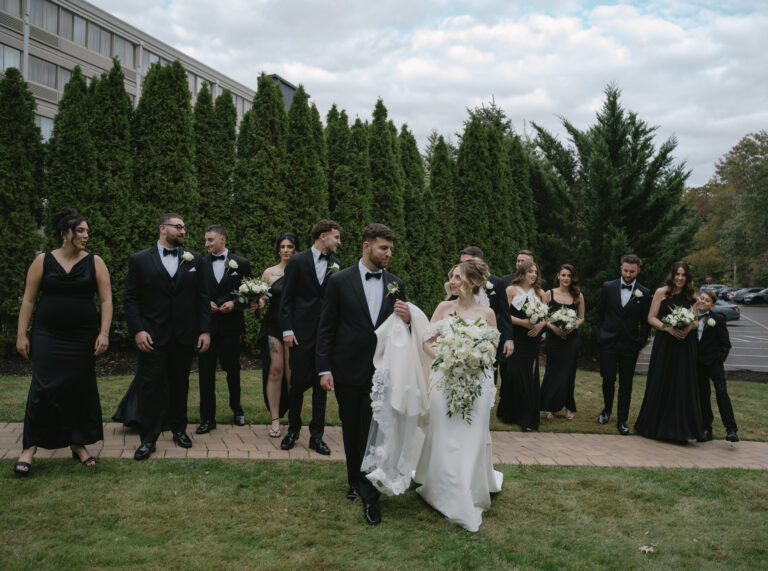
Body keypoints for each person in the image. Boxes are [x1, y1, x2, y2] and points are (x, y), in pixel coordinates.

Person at [316, 223, 409, 526]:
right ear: (366, 247)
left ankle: (371, 494)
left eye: (391, 248)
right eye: (384, 248)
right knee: (352, 427)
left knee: (376, 430)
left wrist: (408, 320)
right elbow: (326, 327)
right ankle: (354, 480)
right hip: (346, 368)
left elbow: (401, 332)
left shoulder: (397, 283)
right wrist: (325, 368)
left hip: (382, 371)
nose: (389, 254)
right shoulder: (339, 281)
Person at [14, 208, 112, 476]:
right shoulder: (42, 261)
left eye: (87, 231)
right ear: (65, 233)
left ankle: (77, 444)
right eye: (80, 231)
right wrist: (22, 334)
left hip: (82, 336)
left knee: (77, 388)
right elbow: (29, 300)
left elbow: (106, 300)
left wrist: (103, 333)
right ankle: (29, 448)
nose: (86, 235)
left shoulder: (95, 262)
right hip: (48, 335)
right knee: (42, 387)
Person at [414, 259, 503, 532]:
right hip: (445, 380)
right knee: (444, 433)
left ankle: (465, 488)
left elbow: (492, 349)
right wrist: (446, 358)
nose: (452, 282)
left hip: (476, 382)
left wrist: (471, 362)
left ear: (473, 283)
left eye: (457, 277)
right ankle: (442, 489)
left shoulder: (487, 313)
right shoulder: (443, 308)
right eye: (451, 277)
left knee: (470, 436)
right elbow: (426, 342)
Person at [115, 213, 211, 460]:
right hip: (152, 336)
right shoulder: (139, 260)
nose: (183, 231)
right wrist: (138, 330)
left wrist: (204, 330)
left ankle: (179, 430)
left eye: (184, 227)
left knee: (181, 384)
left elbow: (202, 298)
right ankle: (148, 438)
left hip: (183, 336)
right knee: (151, 386)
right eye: (178, 227)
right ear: (162, 228)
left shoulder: (195, 260)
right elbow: (131, 298)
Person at [279, 220, 342, 455]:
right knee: (296, 385)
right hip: (299, 335)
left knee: (321, 387)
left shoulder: (336, 265)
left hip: (325, 336)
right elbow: (286, 298)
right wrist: (287, 330)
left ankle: (317, 437)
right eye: (336, 237)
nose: (338, 242)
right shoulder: (297, 261)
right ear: (323, 236)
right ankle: (292, 430)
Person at [634, 261, 704, 443]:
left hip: (684, 344)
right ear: (672, 275)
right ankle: (655, 427)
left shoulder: (691, 295)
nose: (680, 278)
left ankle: (680, 429)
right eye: (677, 275)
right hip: (665, 342)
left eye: (683, 275)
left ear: (687, 277)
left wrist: (688, 328)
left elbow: (696, 321)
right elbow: (651, 318)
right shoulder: (661, 292)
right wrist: (668, 328)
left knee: (682, 382)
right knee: (662, 379)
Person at [196, 225, 251, 435]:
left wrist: (235, 304)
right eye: (206, 240)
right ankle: (207, 418)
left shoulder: (242, 263)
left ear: (223, 240)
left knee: (233, 370)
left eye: (210, 240)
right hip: (207, 328)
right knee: (205, 373)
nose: (206, 244)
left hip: (231, 328)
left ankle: (237, 408)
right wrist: (206, 304)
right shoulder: (200, 263)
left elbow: (249, 293)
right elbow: (196, 293)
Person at [593, 254, 651, 435]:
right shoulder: (608, 287)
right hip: (608, 342)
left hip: (629, 346)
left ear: (638, 271)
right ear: (621, 268)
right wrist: (600, 336)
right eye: (625, 270)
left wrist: (639, 341)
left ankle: (622, 420)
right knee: (608, 379)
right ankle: (606, 410)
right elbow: (598, 314)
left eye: (632, 271)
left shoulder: (645, 293)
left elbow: (646, 322)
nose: (628, 274)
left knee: (626, 383)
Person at [497, 260, 547, 431]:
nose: (533, 275)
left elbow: (546, 316)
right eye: (530, 272)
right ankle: (509, 412)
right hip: (514, 337)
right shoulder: (510, 290)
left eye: (535, 272)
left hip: (531, 340)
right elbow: (504, 316)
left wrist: (540, 326)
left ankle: (527, 417)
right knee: (512, 375)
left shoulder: (541, 293)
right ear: (523, 273)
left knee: (529, 376)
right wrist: (523, 323)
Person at [257, 232, 298, 438]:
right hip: (273, 324)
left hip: (293, 326)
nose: (285, 250)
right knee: (275, 369)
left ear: (296, 249)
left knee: (292, 373)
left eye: (289, 246)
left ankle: (293, 418)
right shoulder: (269, 272)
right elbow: (263, 299)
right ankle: (275, 420)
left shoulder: (301, 271)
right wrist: (257, 301)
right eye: (282, 246)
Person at [541, 264, 585, 420]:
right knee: (553, 371)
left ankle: (569, 407)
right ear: (558, 276)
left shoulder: (578, 295)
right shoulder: (549, 294)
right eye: (564, 275)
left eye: (569, 276)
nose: (566, 278)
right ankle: (552, 407)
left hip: (571, 339)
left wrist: (572, 325)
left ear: (573, 278)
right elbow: (543, 316)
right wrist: (553, 328)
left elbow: (581, 317)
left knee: (569, 372)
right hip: (554, 337)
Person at [458, 246, 514, 364]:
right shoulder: (459, 282)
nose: (461, 267)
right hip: (462, 336)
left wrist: (508, 339)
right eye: (461, 263)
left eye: (466, 263)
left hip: (488, 337)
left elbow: (505, 315)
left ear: (479, 262)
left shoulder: (497, 283)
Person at [696, 290, 738, 442]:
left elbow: (725, 344)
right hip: (698, 365)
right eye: (701, 298)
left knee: (721, 393)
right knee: (703, 396)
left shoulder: (718, 319)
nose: (702, 302)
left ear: (712, 305)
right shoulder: (690, 317)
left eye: (707, 300)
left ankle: (731, 429)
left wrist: (718, 360)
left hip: (714, 363)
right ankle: (707, 428)